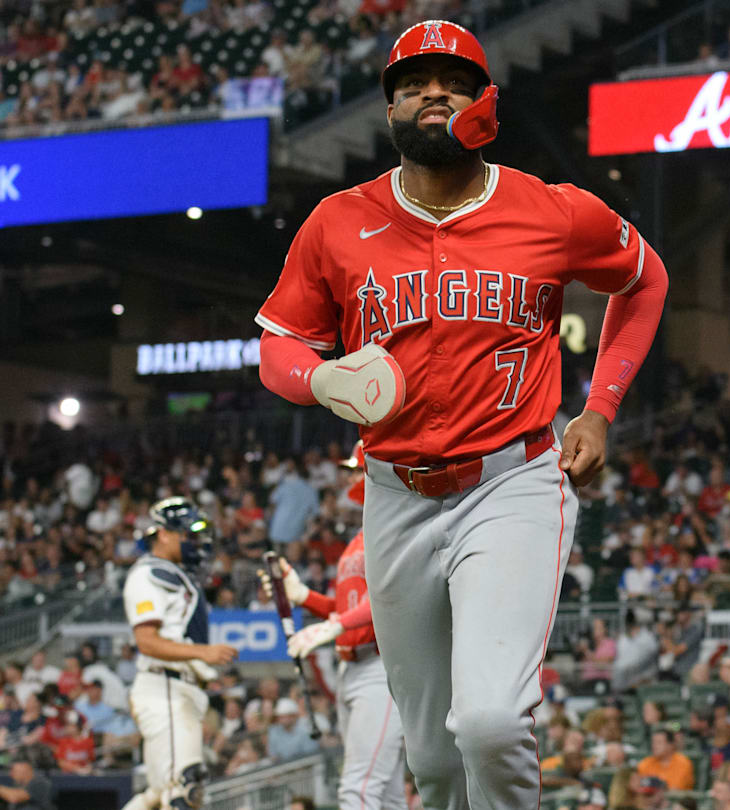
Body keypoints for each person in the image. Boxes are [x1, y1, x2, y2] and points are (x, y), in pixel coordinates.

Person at [254, 19, 667, 810]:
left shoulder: (553, 210)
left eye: (454, 82)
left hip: (512, 481)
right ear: (390, 112)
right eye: (413, 86)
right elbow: (279, 347)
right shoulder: (337, 220)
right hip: (394, 494)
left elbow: (645, 280)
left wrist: (600, 409)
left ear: (487, 103)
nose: (433, 94)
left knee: (489, 723)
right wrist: (321, 378)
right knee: (434, 760)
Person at [261, 444, 406, 810]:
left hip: (381, 666)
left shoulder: (397, 530)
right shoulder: (359, 537)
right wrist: (303, 596)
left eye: (358, 468)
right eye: (352, 470)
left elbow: (389, 602)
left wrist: (336, 624)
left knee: (358, 788)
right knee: (386, 793)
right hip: (351, 667)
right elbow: (346, 609)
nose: (352, 476)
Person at [120, 497, 238, 810]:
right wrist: (203, 653)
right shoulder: (148, 573)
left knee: (158, 796)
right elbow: (147, 641)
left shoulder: (176, 574)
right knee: (185, 788)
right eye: (188, 534)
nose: (194, 542)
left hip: (178, 689)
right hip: (165, 687)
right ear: (163, 534)